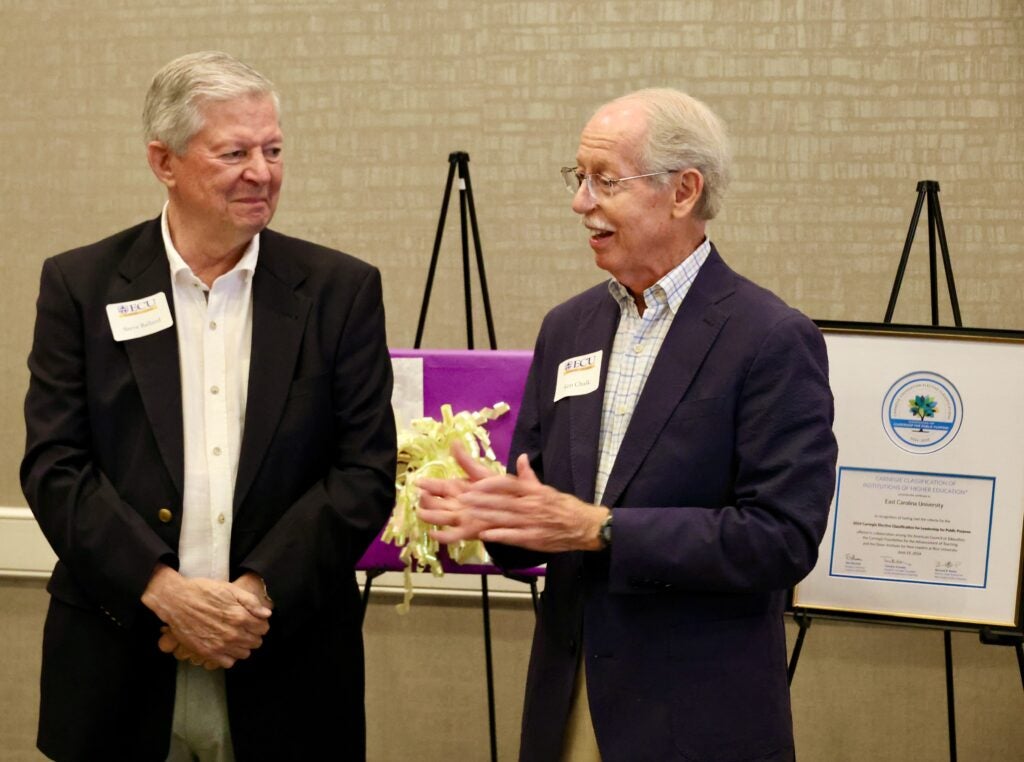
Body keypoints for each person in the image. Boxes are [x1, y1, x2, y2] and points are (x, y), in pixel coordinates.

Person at [417, 88, 837, 762]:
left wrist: (603, 529)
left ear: (683, 191)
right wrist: (495, 514)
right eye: (578, 178)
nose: (579, 202)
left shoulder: (769, 338)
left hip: (694, 716)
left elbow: (781, 539)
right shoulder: (568, 326)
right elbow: (546, 510)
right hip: (567, 701)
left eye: (604, 181)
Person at [20, 51, 396, 761]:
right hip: (119, 656)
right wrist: (163, 590)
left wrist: (252, 596)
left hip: (285, 663)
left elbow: (365, 471)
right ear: (164, 162)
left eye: (273, 149)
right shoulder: (82, 285)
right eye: (235, 151)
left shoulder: (339, 291)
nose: (263, 171)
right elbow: (55, 466)